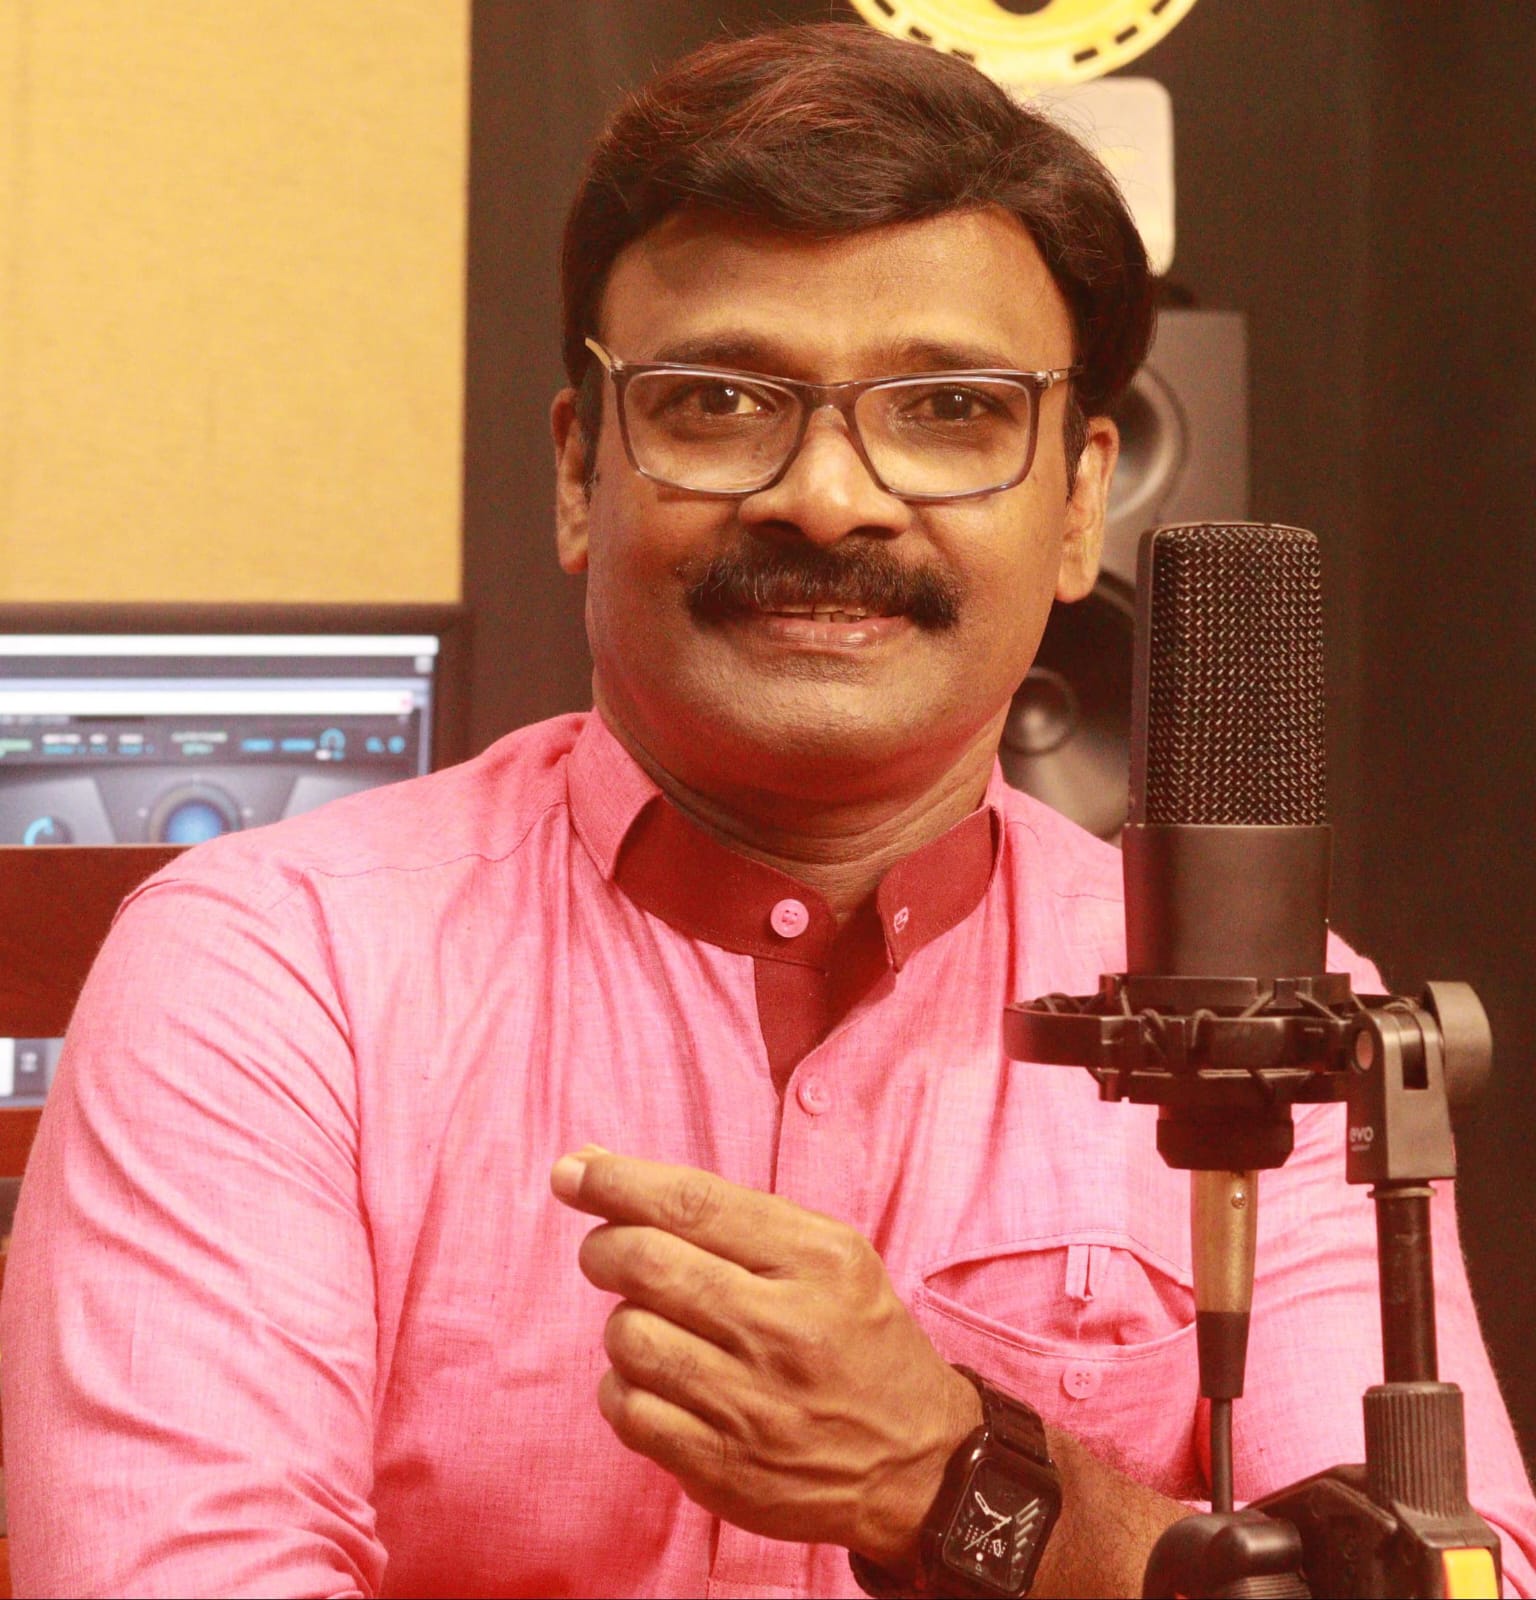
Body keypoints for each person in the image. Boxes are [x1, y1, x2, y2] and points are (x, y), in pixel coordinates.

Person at [3, 21, 1532, 1598]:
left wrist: (964, 1483)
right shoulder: (271, 978)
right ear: (581, 473)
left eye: (947, 409)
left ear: (1082, 501)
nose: (829, 496)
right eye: (722, 401)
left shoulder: (1280, 1019)